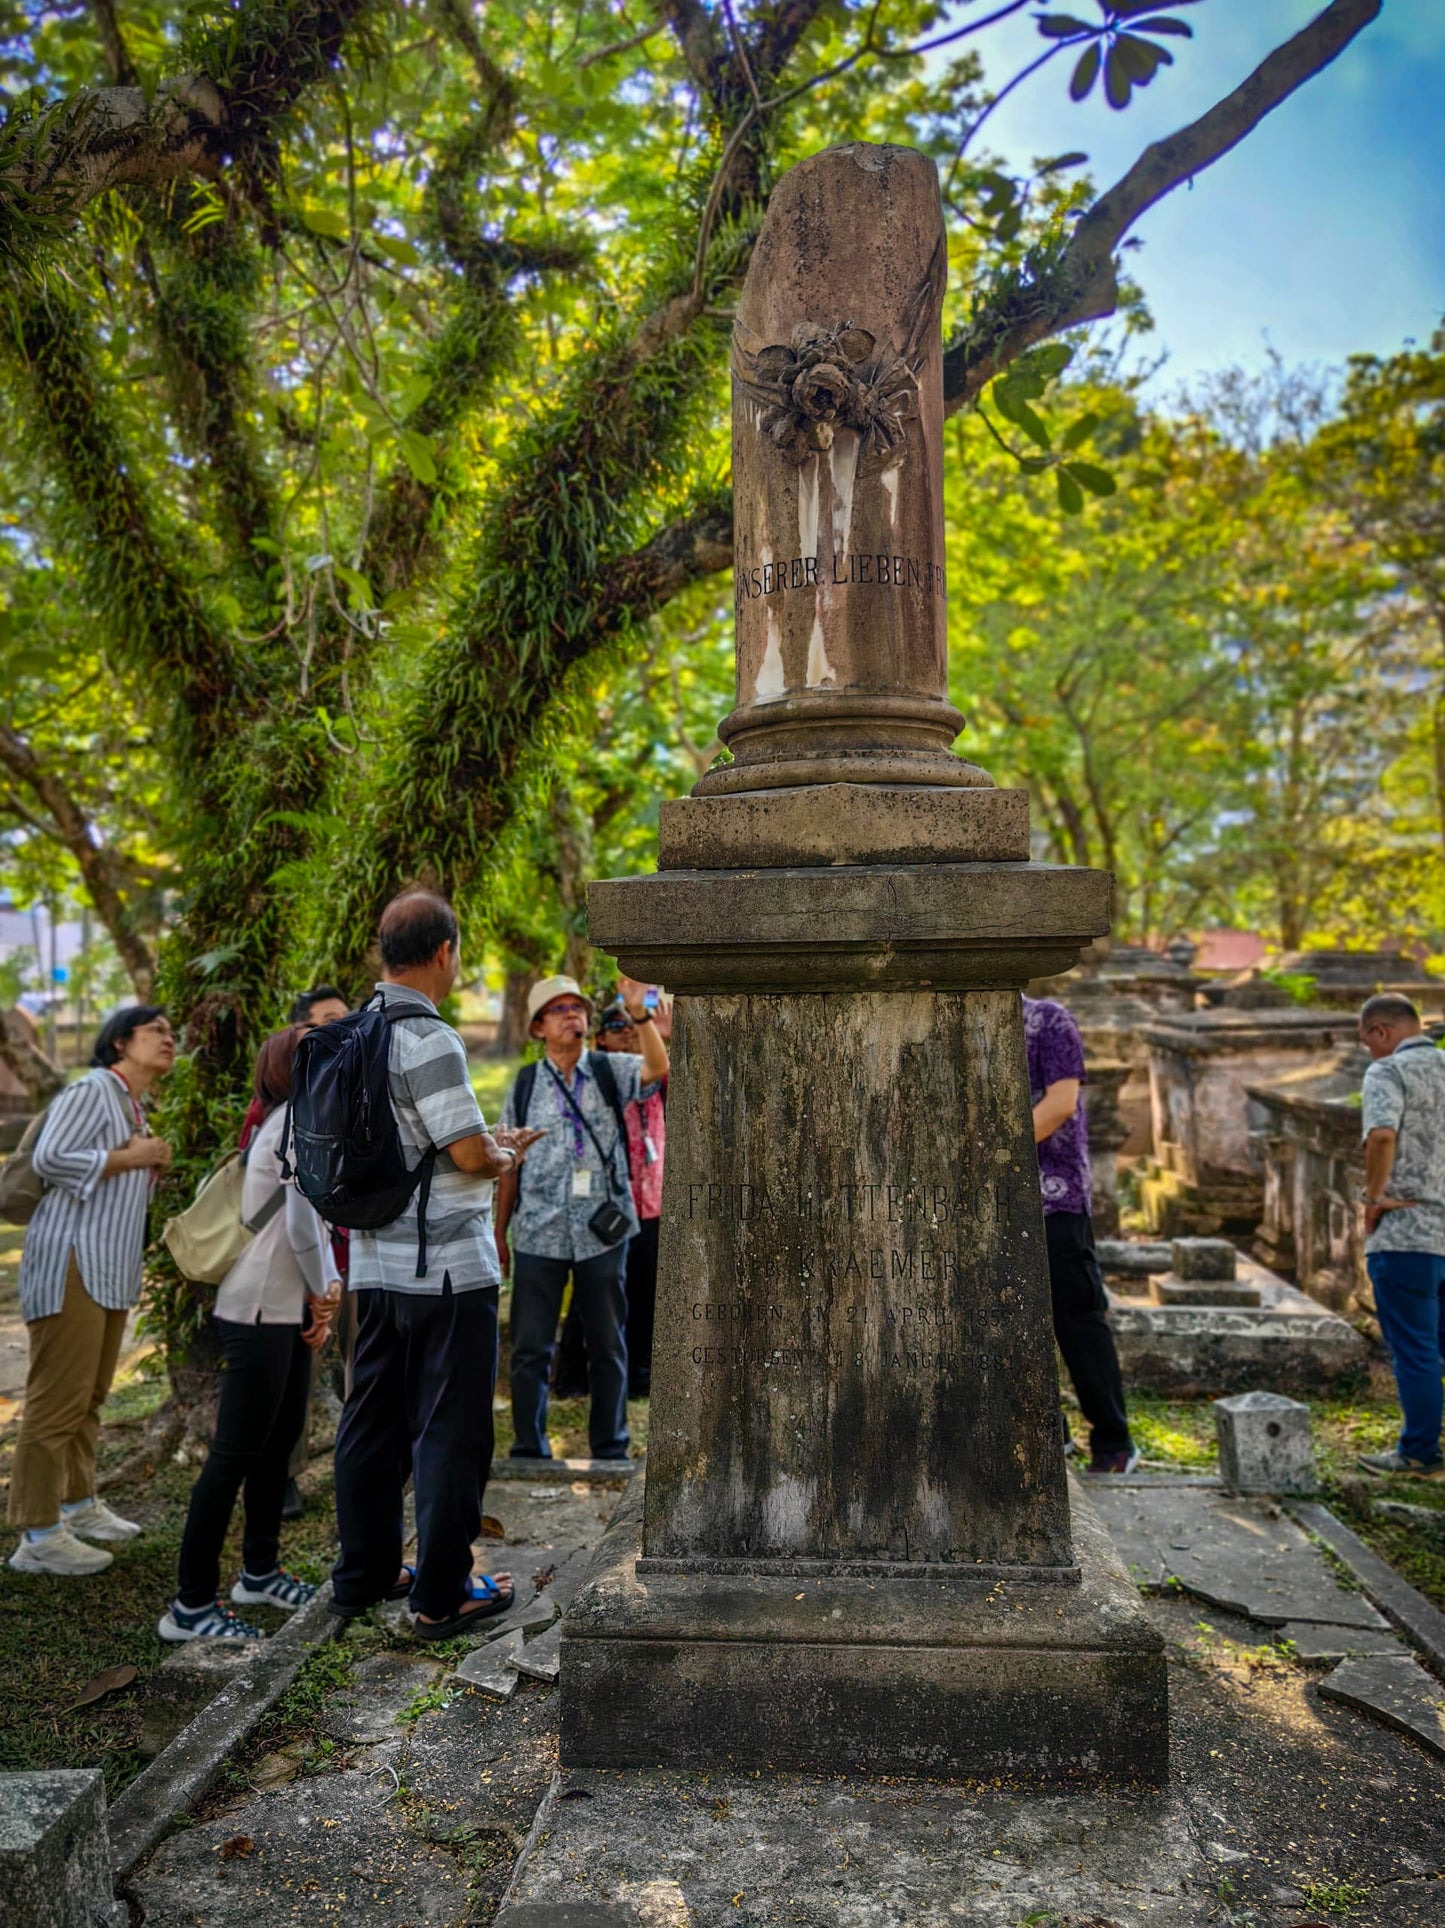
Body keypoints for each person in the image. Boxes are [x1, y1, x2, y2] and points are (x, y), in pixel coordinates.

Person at [330, 891, 541, 1638]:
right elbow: (466, 1154)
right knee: (452, 1431)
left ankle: (365, 1573)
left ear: (382, 952)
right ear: (445, 951)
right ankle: (443, 1594)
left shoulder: (352, 1033)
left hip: (374, 1265)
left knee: (371, 1419)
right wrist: (505, 1149)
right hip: (447, 1270)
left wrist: (480, 1143)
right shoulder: (431, 1038)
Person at [160, 1028, 341, 1640]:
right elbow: (296, 1224)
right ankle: (189, 1606)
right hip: (258, 1310)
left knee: (277, 1444)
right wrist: (326, 1291)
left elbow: (316, 1222)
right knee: (234, 1455)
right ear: (297, 1069)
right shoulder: (293, 1122)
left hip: (285, 1310)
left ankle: (259, 1572)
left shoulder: (304, 1121)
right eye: (323, 1055)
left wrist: (325, 1290)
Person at [7, 1006, 175, 1577]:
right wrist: (135, 1156)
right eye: (156, 1031)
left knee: (90, 1398)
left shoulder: (132, 1103)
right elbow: (52, 1158)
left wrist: (145, 1159)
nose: (168, 1040)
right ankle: (39, 1533)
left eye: (170, 1033)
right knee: (56, 1402)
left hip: (108, 1267)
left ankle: (79, 1505)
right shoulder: (95, 1088)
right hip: (71, 1262)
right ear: (120, 1042)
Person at [497, 975, 668, 1461]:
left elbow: (657, 1067)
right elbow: (510, 1163)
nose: (573, 1014)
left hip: (602, 1231)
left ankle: (610, 1446)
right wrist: (499, 1233)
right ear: (538, 1028)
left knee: (607, 1345)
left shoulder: (610, 1068)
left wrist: (641, 1014)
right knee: (531, 1349)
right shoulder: (526, 1084)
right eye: (559, 1009)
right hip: (537, 1233)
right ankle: (530, 1446)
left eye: (578, 1007)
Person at [1023, 994, 1139, 1476]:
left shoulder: (1048, 1021)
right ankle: (1050, 1432)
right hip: (985, 1196)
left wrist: (985, 1149)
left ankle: (1113, 1440)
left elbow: (1061, 1103)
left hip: (1055, 1194)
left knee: (1076, 1316)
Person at [552, 997, 666, 1399]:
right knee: (592, 1296)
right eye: (617, 1027)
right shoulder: (592, 1076)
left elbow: (664, 1067)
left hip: (650, 1204)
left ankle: (638, 1376)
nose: (628, 1032)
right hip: (603, 1206)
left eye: (631, 1026)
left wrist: (654, 1029)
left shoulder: (652, 1078)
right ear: (599, 1038)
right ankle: (571, 1380)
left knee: (642, 1293)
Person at [1355, 994, 1445, 1479]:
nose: (1368, 1051)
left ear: (1381, 1032)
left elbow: (1383, 1136)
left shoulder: (1389, 1071)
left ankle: (1419, 1452)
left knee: (1416, 1350)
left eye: (1366, 1040)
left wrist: (1372, 1198)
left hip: (1408, 1233)